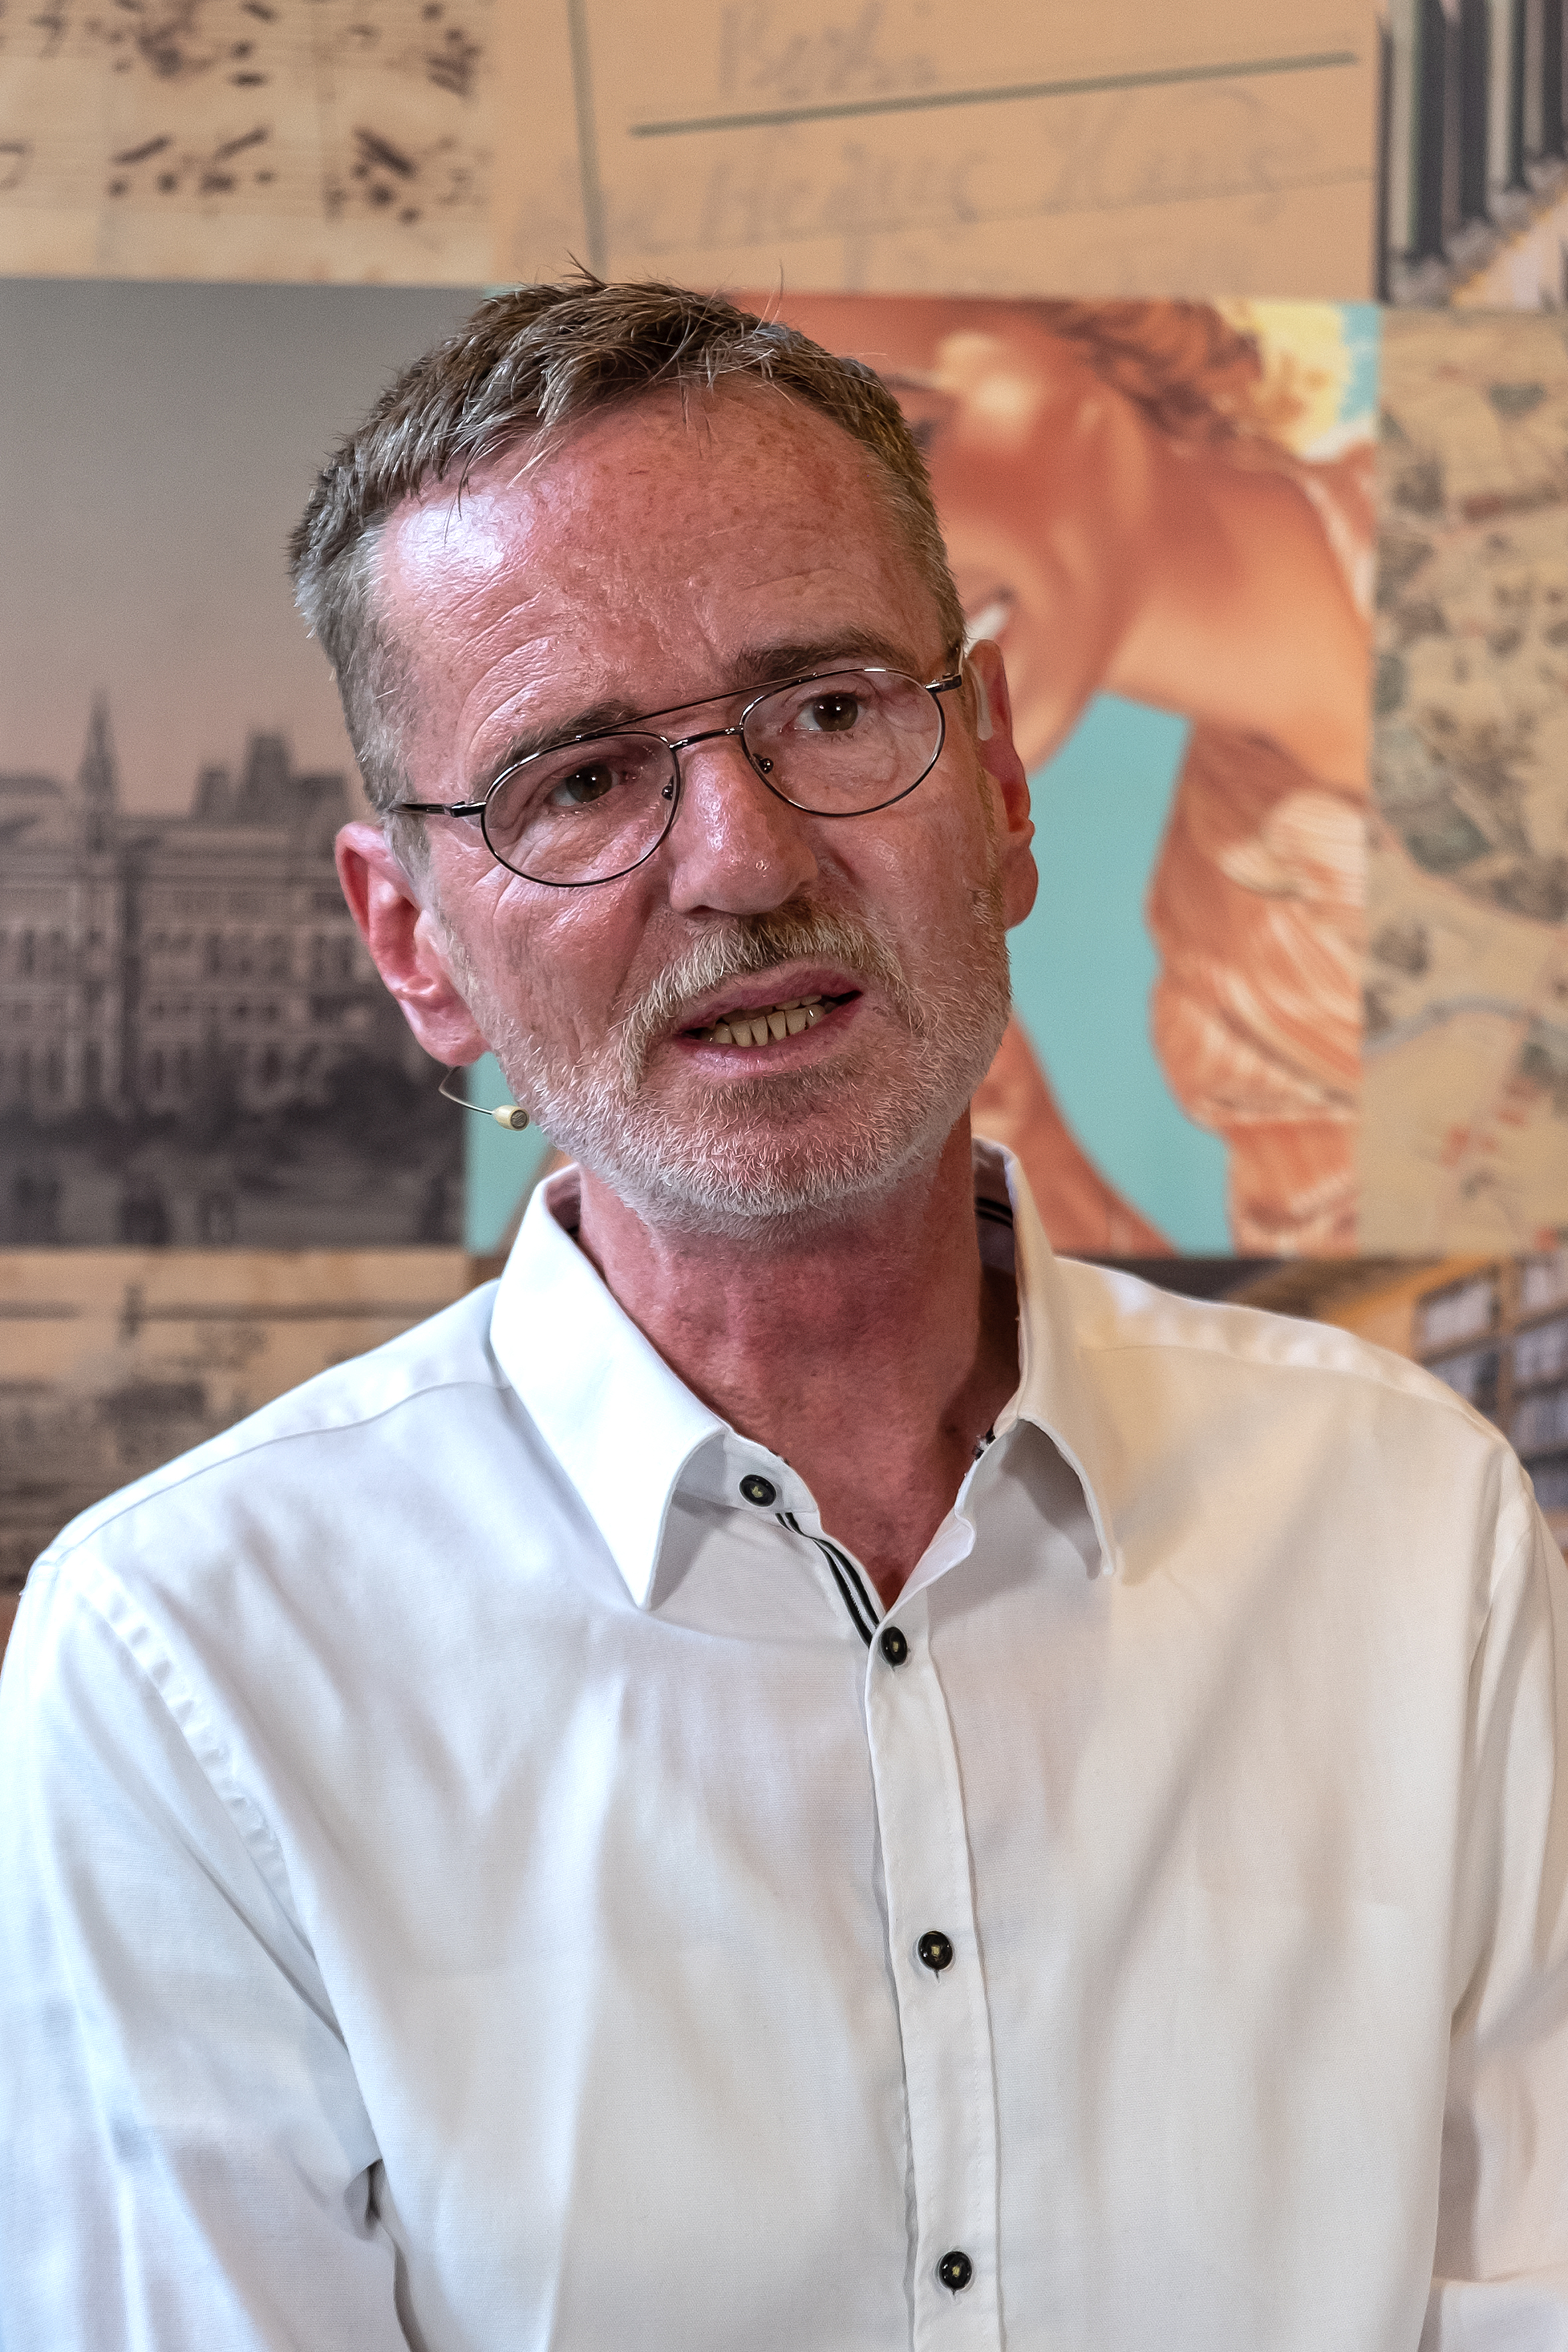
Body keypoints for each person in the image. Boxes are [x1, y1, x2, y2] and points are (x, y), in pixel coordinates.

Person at [1, 278, 1563, 2351]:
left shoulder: (1411, 1528)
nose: (742, 861)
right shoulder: (189, 1666)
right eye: (577, 779)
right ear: (415, 944)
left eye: (827, 709)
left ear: (999, 790)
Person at [776, 295, 1374, 1257]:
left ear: (1107, 330)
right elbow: (1364, 1328)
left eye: (913, 439)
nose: (863, 603)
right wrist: (999, 1129)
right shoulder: (1245, 972)